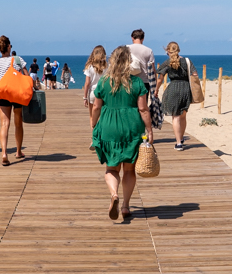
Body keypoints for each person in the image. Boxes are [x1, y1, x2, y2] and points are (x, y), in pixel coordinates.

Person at [91, 45, 154, 220]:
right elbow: (143, 109)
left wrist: (93, 124)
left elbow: (96, 106)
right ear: (128, 62)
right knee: (129, 169)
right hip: (131, 127)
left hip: (109, 127)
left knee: (111, 168)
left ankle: (114, 195)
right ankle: (125, 206)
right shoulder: (137, 82)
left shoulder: (104, 82)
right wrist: (149, 130)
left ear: (112, 61)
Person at [0, 35, 28, 166]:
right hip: (17, 94)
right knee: (18, 123)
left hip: (3, 95)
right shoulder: (18, 59)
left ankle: (4, 153)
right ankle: (18, 151)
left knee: (4, 124)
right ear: (9, 47)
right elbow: (27, 77)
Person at [156, 41, 194, 151]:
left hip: (173, 88)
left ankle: (178, 143)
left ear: (168, 51)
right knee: (183, 115)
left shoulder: (167, 62)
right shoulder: (187, 61)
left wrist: (156, 89)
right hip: (185, 89)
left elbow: (160, 78)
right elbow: (194, 74)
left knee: (175, 117)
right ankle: (181, 138)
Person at [82, 46, 107, 143]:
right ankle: (103, 137)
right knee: (103, 116)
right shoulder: (107, 66)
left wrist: (85, 97)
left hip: (93, 93)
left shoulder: (89, 67)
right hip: (104, 94)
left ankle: (94, 139)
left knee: (92, 117)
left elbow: (87, 84)